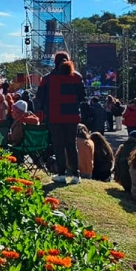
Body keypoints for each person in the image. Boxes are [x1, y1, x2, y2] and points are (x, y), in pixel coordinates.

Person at [34, 52, 85, 184]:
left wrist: (41, 111)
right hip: (72, 116)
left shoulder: (47, 79)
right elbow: (82, 96)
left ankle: (61, 174)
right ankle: (75, 175)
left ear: (54, 62)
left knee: (58, 145)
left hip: (54, 116)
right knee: (71, 144)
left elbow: (39, 98)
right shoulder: (77, 77)